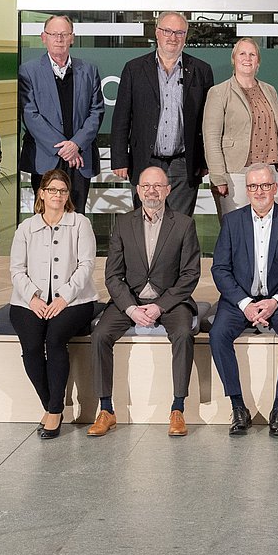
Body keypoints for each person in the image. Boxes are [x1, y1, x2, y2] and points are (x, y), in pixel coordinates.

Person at [87, 166, 202, 438]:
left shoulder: (184, 224)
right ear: (138, 190)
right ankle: (106, 409)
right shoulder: (124, 223)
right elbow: (113, 275)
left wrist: (160, 305)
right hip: (130, 299)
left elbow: (190, 274)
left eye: (158, 186)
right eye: (146, 186)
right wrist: (130, 308)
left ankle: (177, 408)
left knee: (184, 334)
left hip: (170, 301)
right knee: (100, 334)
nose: (152, 190)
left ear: (167, 190)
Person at [209, 163, 278, 437]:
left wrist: (276, 301)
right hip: (240, 300)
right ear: (247, 190)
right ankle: (238, 406)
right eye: (253, 186)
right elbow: (220, 268)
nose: (259, 191)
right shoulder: (232, 221)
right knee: (217, 334)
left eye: (265, 185)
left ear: (275, 188)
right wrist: (245, 303)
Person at [8, 169, 99, 439]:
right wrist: (33, 297)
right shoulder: (26, 227)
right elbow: (16, 270)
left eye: (62, 190)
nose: (57, 195)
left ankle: (55, 411)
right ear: (41, 194)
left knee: (55, 339)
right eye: (52, 190)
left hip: (75, 301)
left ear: (68, 195)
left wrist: (63, 297)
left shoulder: (80, 223)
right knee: (32, 345)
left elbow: (86, 265)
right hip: (29, 302)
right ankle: (50, 404)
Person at [110, 11, 215, 215]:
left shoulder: (201, 70)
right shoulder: (134, 68)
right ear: (157, 33)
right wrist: (120, 159)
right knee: (145, 223)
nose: (172, 37)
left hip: (183, 164)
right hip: (145, 160)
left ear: (186, 36)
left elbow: (207, 121)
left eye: (179, 32)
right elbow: (122, 117)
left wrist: (204, 161)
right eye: (167, 31)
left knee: (179, 227)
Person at [17, 14, 105, 212]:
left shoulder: (89, 71)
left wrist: (76, 145)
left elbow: (97, 111)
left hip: (79, 160)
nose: (59, 39)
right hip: (45, 158)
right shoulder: (28, 71)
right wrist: (64, 149)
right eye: (54, 34)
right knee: (46, 217)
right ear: (43, 37)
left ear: (72, 37)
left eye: (64, 34)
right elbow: (30, 115)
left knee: (76, 217)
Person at [201, 37, 278, 216]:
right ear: (234, 59)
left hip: (269, 173)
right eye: (242, 53)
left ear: (258, 61)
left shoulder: (270, 90)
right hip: (235, 174)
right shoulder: (219, 93)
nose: (247, 58)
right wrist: (218, 177)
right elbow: (211, 138)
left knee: (272, 232)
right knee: (237, 234)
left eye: (252, 54)